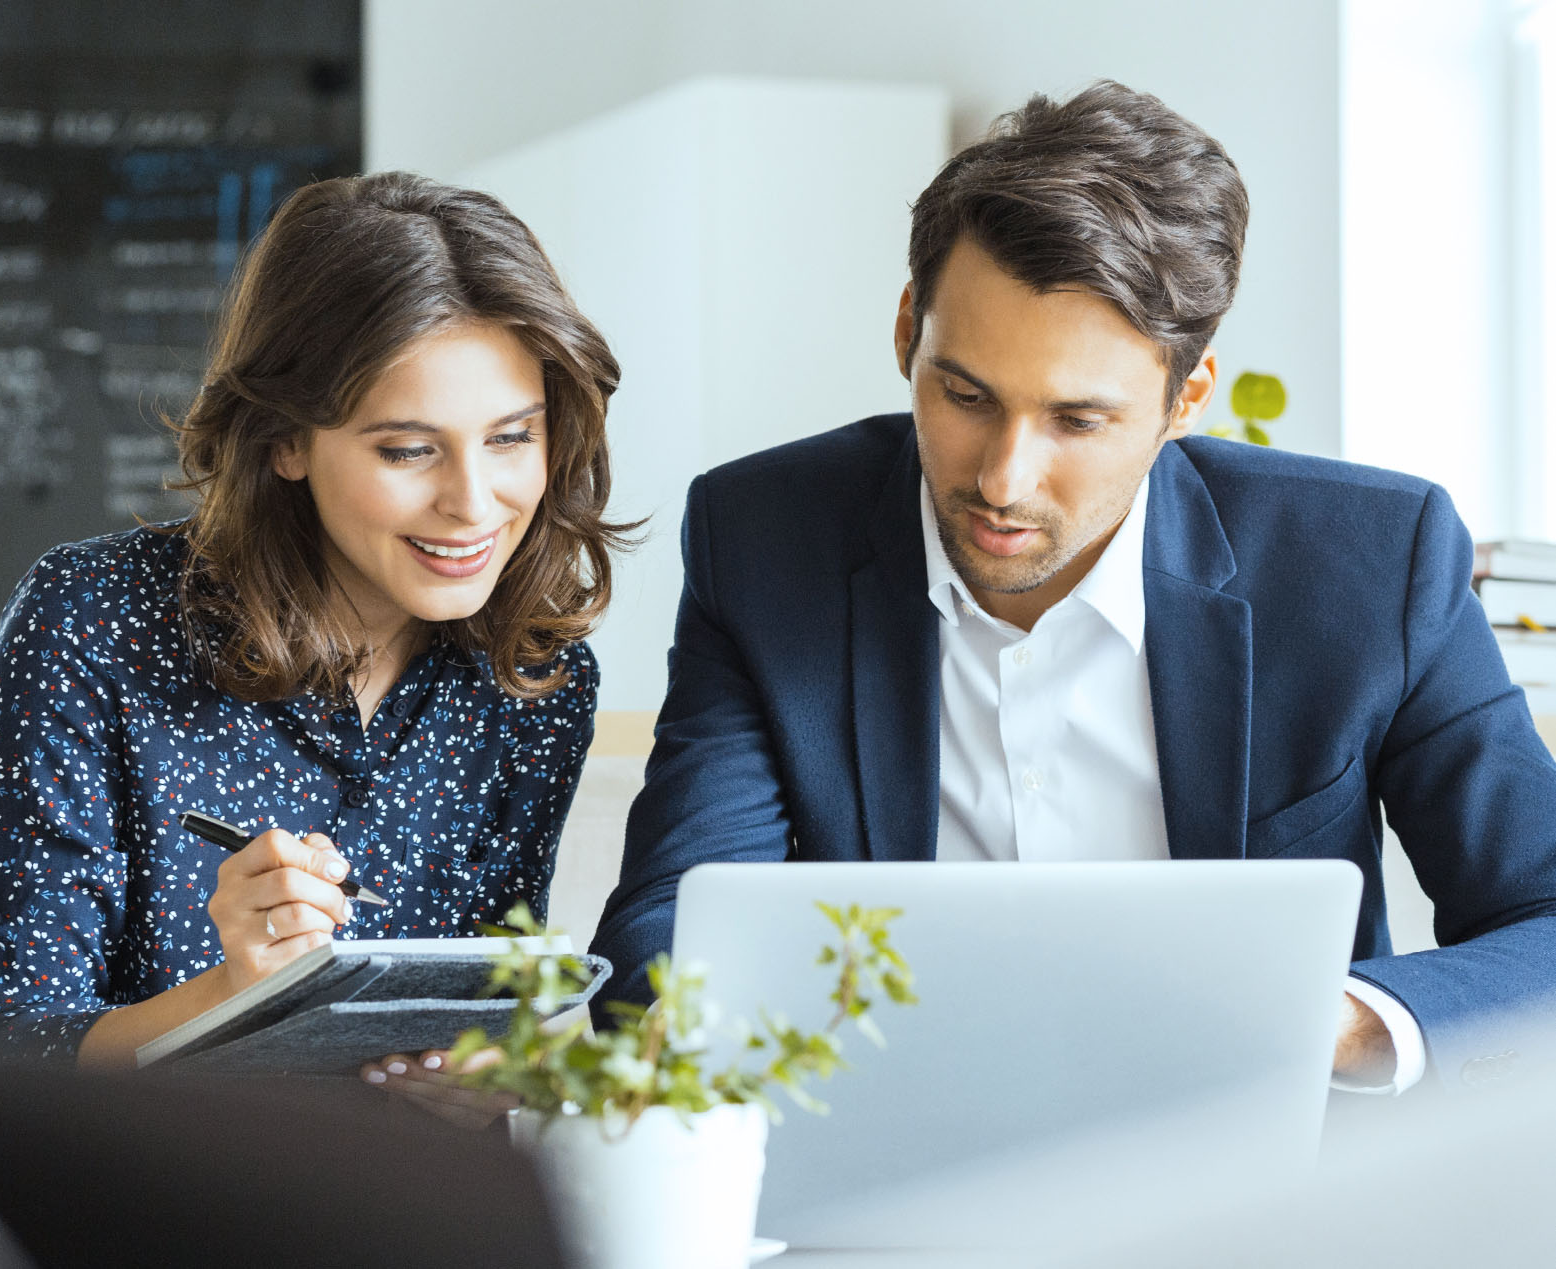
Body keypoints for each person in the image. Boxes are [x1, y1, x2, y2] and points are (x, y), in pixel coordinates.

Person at [589, 81, 1556, 1095]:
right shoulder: (767, 537)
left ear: (1184, 400)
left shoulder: (1367, 562)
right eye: (964, 394)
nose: (1002, 479)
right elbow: (665, 935)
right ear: (906, 330)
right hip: (890, 1164)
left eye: (1078, 421)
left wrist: (1331, 1023)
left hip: (1263, 1188)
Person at [0, 172, 631, 1064]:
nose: (473, 503)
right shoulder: (90, 622)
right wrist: (236, 995)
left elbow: (481, 1013)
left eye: (512, 436)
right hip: (90, 1179)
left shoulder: (537, 683)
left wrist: (473, 1079)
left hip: (352, 1191)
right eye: (407, 449)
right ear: (283, 441)